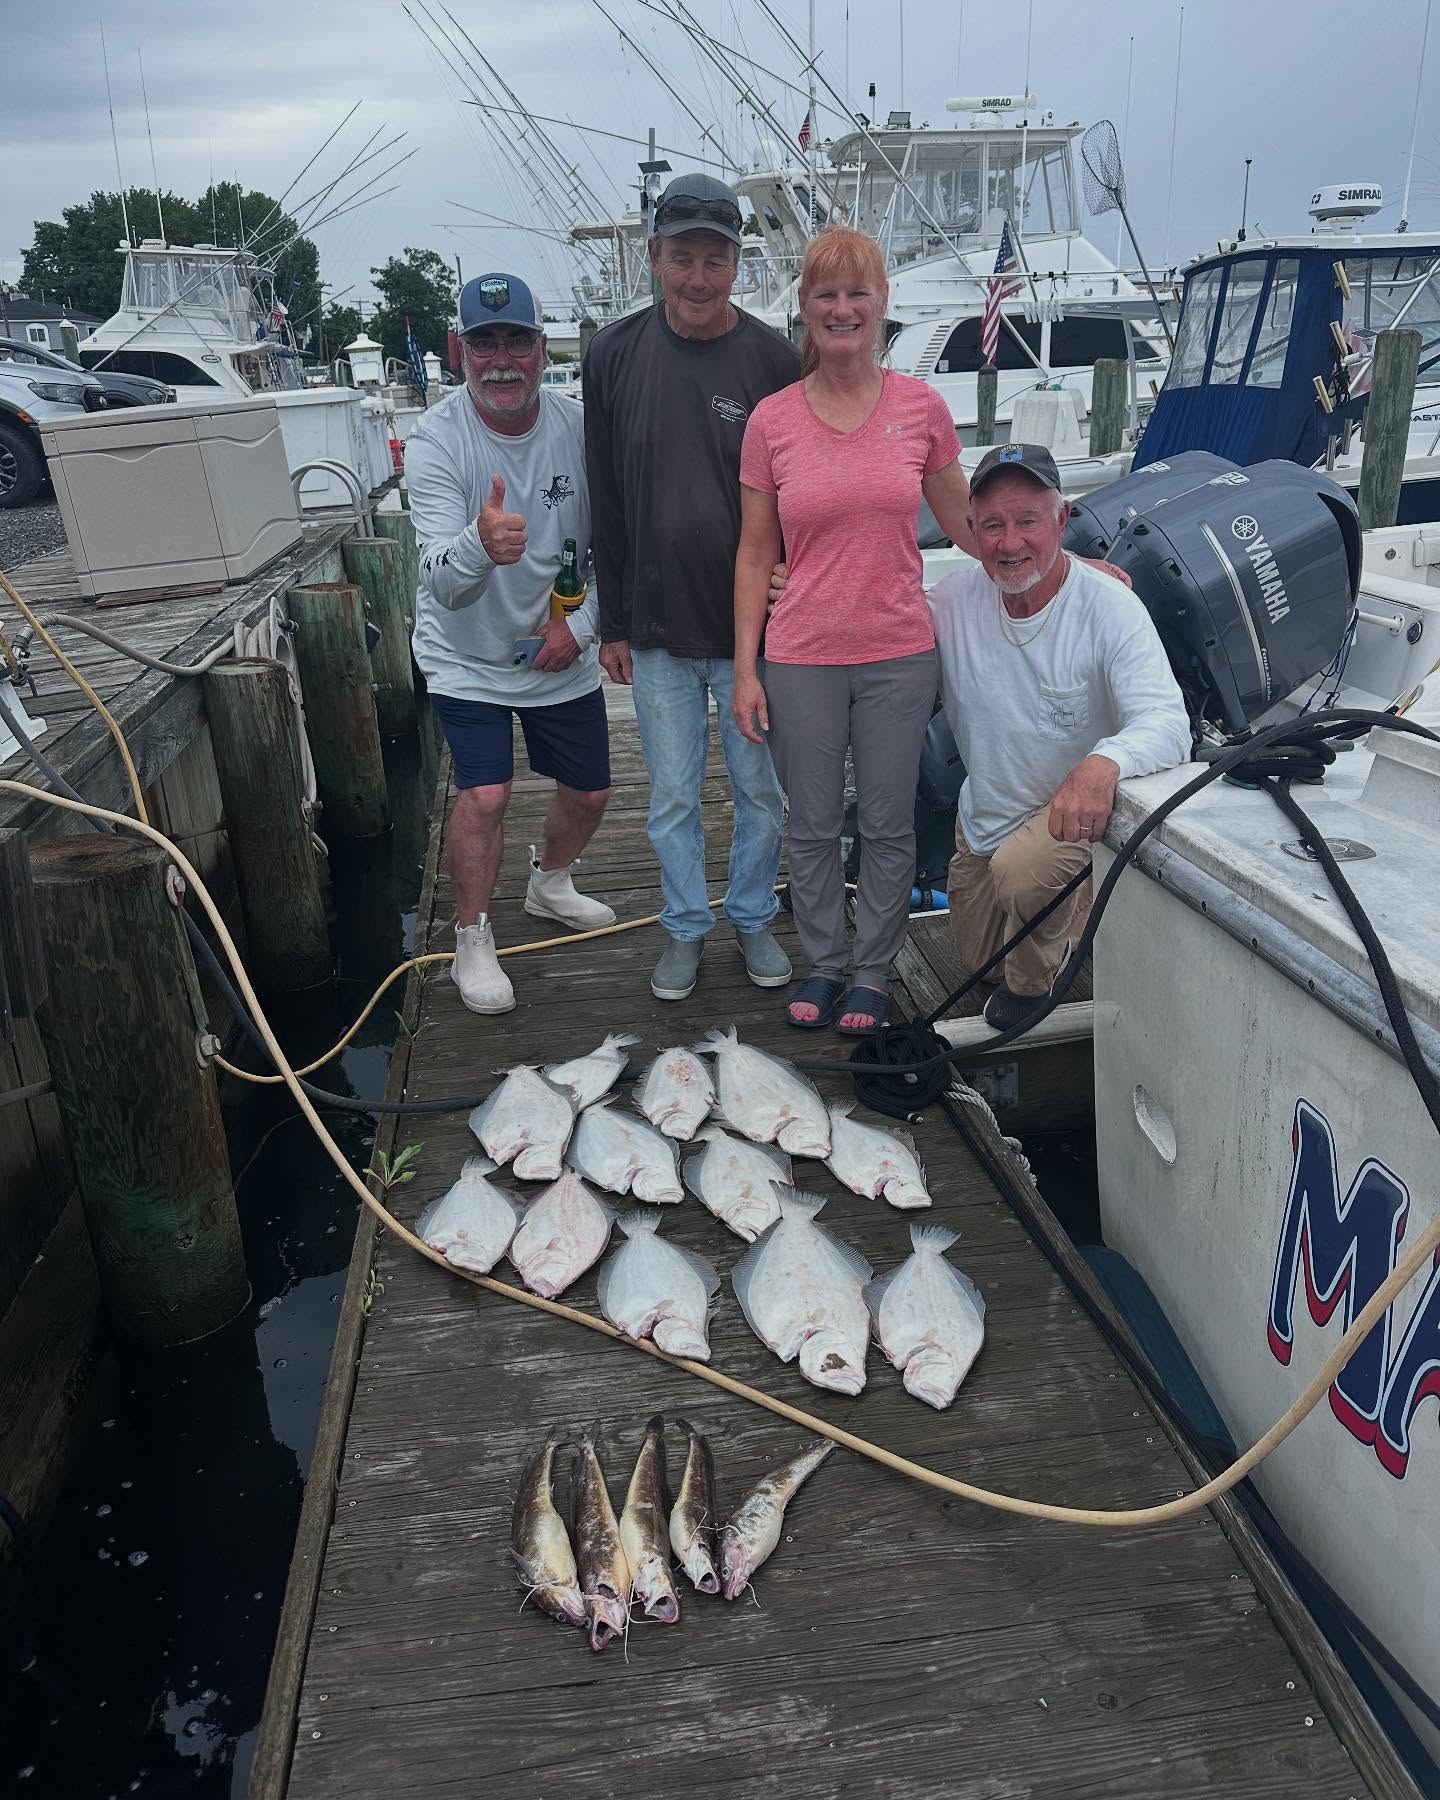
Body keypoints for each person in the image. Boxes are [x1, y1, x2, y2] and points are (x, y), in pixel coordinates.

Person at [732, 225, 982, 1034]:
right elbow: (754, 553)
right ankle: (823, 963)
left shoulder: (922, 409)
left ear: (881, 304)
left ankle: (872, 971)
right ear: (804, 307)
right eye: (826, 294)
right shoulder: (771, 421)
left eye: (857, 293)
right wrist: (746, 669)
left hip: (898, 653)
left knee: (887, 824)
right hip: (799, 656)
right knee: (810, 827)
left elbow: (969, 524)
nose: (842, 309)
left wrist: (1065, 564)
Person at [585, 173, 801, 1002]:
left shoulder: (775, 360)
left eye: (715, 260)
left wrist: (796, 578)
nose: (699, 278)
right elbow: (605, 495)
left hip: (754, 632)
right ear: (654, 257)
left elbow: (800, 491)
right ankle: (683, 926)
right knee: (671, 796)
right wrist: (610, 621)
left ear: (738, 265)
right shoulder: (612, 354)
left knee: (760, 792)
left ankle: (751, 915)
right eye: (683, 259)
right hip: (656, 629)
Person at [929, 443, 1192, 1031]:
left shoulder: (1111, 607)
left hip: (1066, 818)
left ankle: (1035, 986)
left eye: (1028, 522)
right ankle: (1068, 914)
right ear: (970, 529)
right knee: (977, 961)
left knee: (1023, 881)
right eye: (992, 526)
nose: (1010, 543)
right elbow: (878, 618)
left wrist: (1104, 763)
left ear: (1062, 519)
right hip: (986, 818)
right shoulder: (950, 601)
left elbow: (1170, 724)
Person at [406, 271, 614, 1016]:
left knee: (591, 792)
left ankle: (549, 882)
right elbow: (442, 582)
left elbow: (621, 549)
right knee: (485, 793)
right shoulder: (434, 440)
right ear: (457, 349)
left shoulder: (583, 427)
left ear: (542, 347)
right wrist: (478, 545)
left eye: (517, 341)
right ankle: (471, 934)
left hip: (561, 643)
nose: (501, 360)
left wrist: (581, 629)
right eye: (484, 342)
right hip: (465, 654)